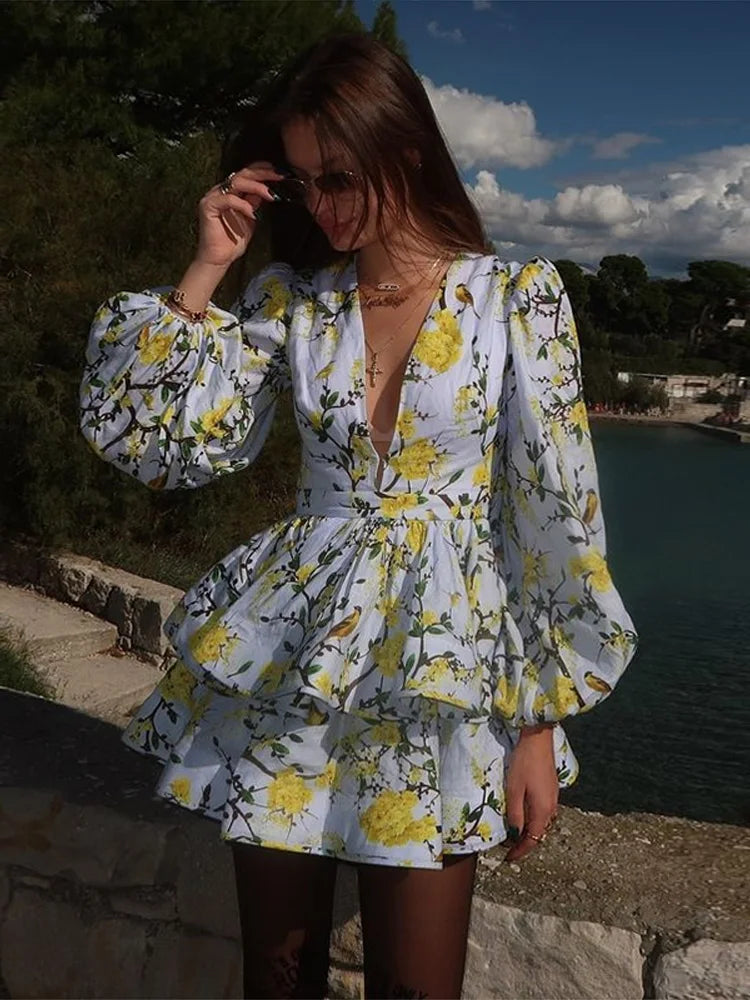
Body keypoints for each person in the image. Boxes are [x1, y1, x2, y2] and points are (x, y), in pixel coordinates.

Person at [79, 33, 638, 1000]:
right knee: (279, 974)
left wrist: (538, 724)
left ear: (407, 150)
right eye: (303, 182)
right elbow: (160, 447)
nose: (323, 204)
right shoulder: (294, 303)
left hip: (440, 686)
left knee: (418, 988)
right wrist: (207, 268)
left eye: (339, 175)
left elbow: (556, 519)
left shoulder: (515, 300)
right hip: (295, 668)